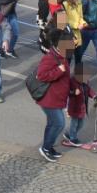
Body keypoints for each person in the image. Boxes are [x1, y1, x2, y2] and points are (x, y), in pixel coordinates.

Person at [35, 28, 72, 162]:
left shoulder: (62, 56)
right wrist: (58, 71)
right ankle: (45, 148)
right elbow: (41, 75)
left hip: (57, 97)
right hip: (49, 99)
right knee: (59, 124)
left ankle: (48, 146)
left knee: (52, 124)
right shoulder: (50, 58)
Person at [63, 63, 97, 146]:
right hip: (74, 107)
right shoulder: (71, 81)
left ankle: (69, 134)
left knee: (81, 124)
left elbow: (88, 90)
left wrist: (94, 96)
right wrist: (74, 92)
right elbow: (65, 92)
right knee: (74, 124)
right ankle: (73, 138)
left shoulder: (85, 82)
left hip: (82, 107)